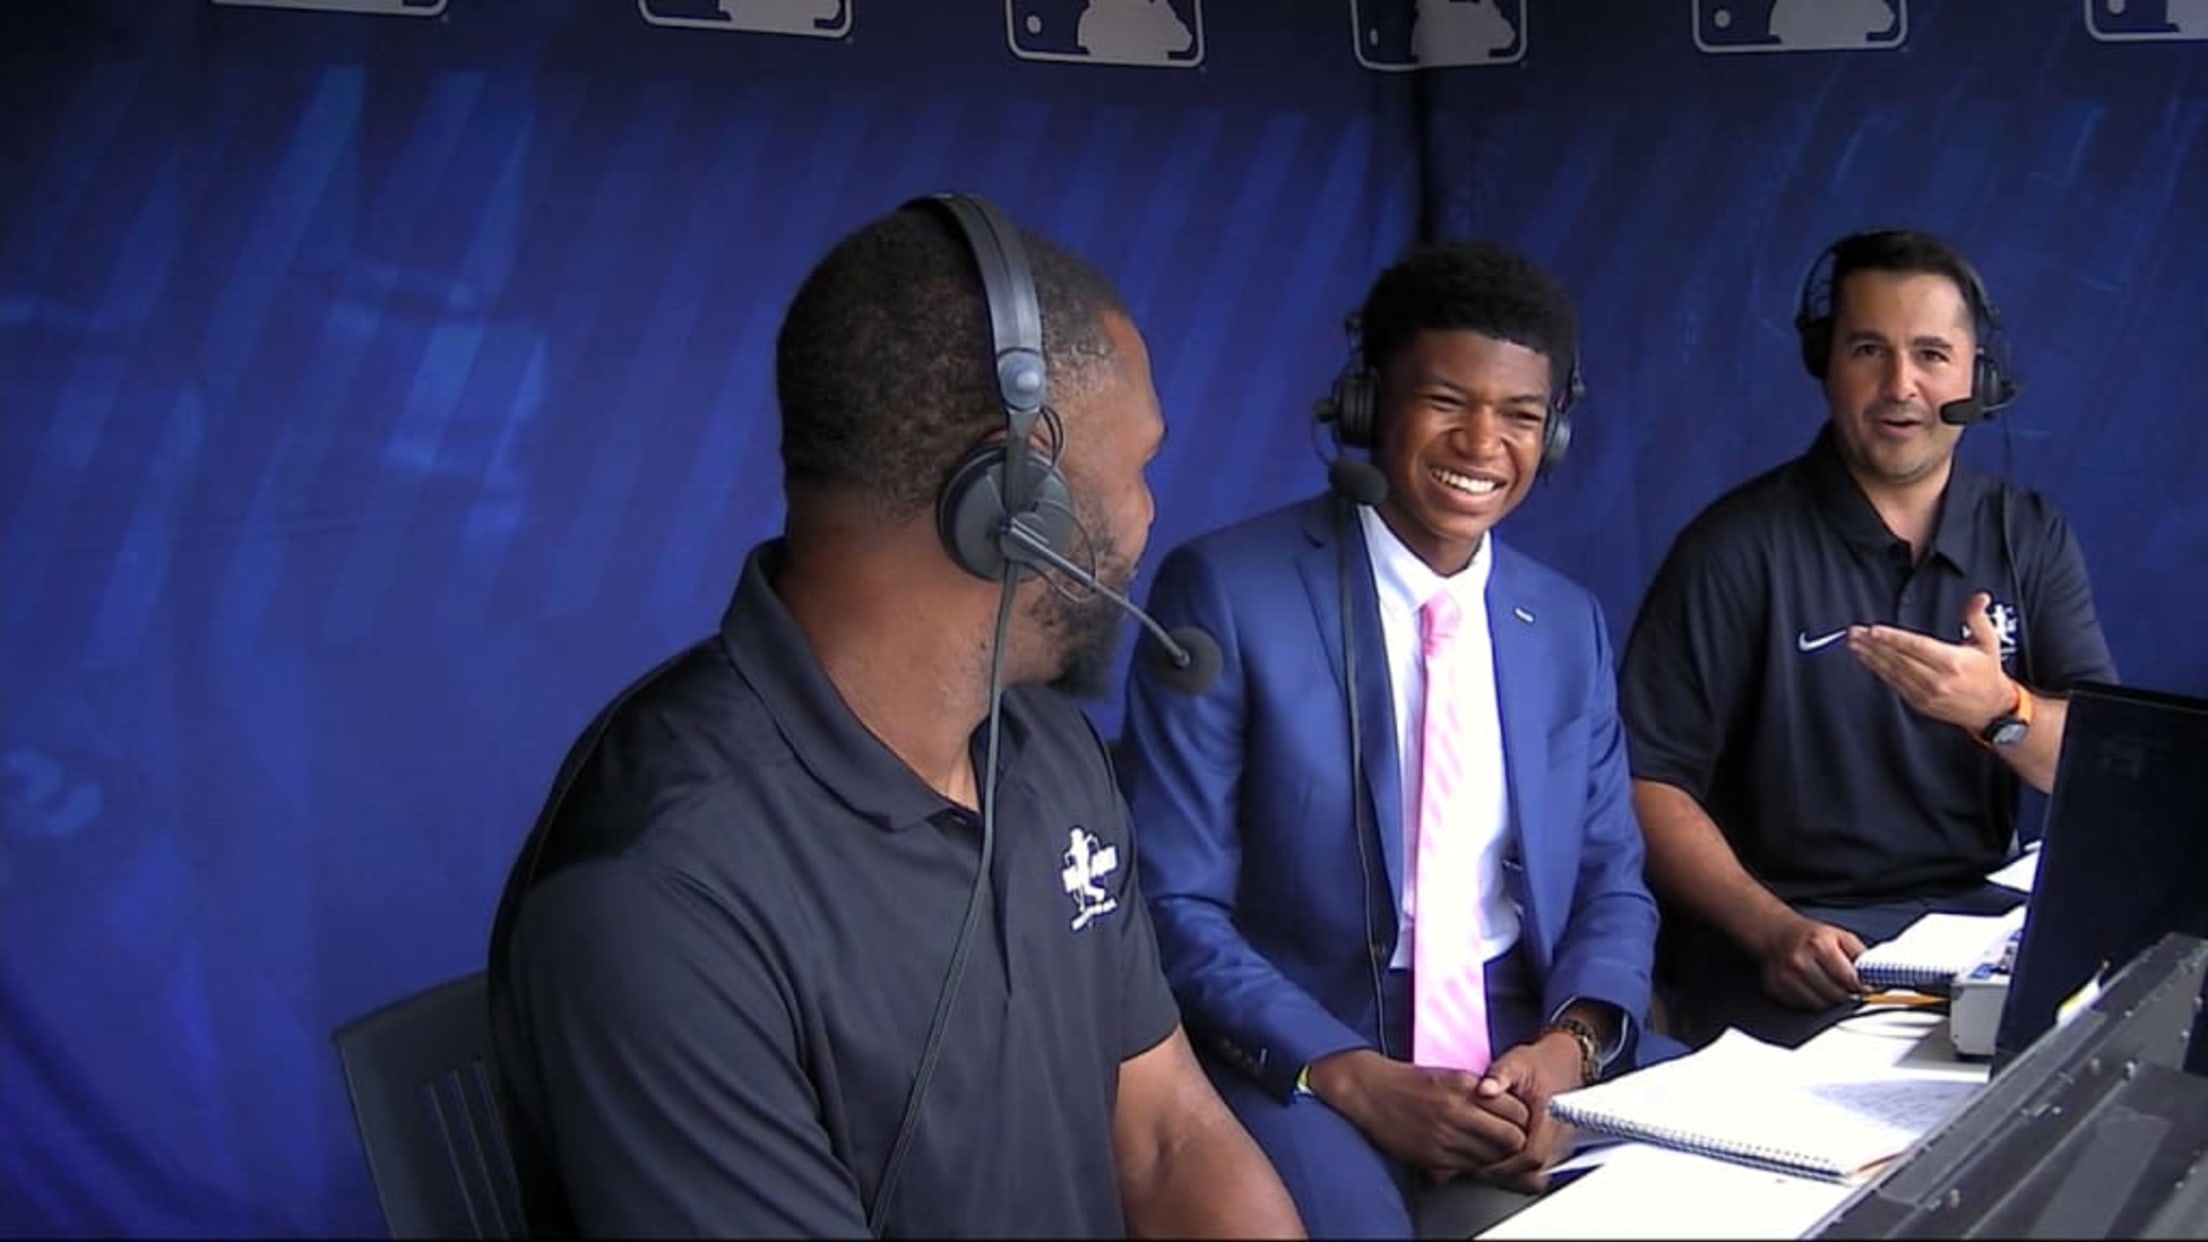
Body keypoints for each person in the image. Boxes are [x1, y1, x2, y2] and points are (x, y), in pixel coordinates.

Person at [484, 193, 1304, 1238]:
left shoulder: (1046, 747)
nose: (1149, 512)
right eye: (1137, 467)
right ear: (1012, 505)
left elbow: (1166, 1132)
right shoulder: (656, 897)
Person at [1114, 241, 1663, 1238]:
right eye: (1448, 401)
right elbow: (1172, 901)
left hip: (1521, 1027)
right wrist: (1350, 1076)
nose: (1484, 444)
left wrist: (1569, 1052)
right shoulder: (1227, 592)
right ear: (1368, 406)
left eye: (1522, 416)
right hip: (1309, 1034)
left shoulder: (1565, 619)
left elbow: (1609, 876)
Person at [1619, 227, 2119, 1050]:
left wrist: (2001, 709)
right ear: (1826, 365)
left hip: (1975, 937)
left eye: (1930, 354)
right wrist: (1769, 928)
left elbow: (2097, 770)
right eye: (1867, 350)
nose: (1902, 385)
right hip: (1792, 946)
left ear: (1975, 376)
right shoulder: (1736, 547)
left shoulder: (2029, 535)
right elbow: (1646, 782)